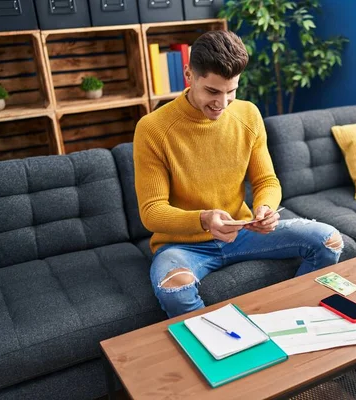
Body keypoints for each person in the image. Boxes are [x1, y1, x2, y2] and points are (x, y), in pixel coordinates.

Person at [133, 30, 344, 318]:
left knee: (329, 240)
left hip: (242, 231)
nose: (222, 103)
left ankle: (288, 320)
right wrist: (204, 219)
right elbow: (151, 212)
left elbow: (266, 180)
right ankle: (221, 352)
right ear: (189, 75)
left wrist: (265, 209)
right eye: (212, 91)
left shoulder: (248, 115)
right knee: (174, 288)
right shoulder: (153, 128)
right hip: (182, 245)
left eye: (231, 91)